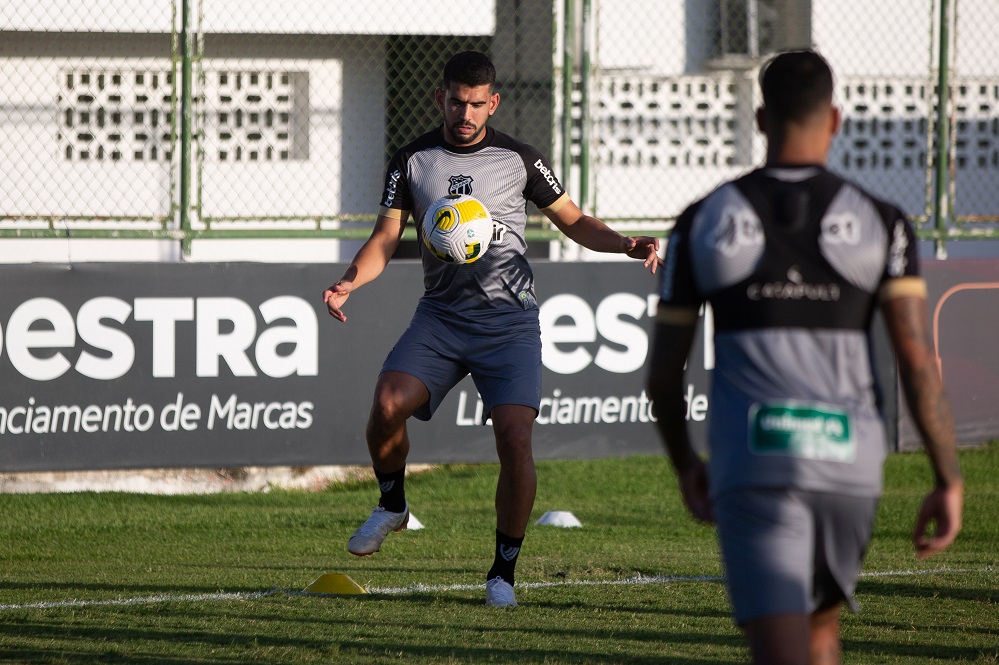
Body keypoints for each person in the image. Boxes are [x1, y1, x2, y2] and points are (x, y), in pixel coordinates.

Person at [646, 50, 963, 664]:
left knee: (781, 648)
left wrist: (687, 463)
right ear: (836, 120)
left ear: (761, 120)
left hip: (757, 461)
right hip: (849, 463)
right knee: (820, 636)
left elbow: (663, 373)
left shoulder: (701, 221)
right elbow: (917, 363)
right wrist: (947, 477)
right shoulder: (883, 221)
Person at [323, 50, 661, 608]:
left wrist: (628, 244)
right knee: (386, 404)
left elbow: (573, 220)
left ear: (493, 103)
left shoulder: (520, 159)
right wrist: (349, 281)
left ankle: (502, 573)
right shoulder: (411, 160)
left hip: (508, 324)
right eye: (457, 101)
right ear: (440, 99)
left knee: (515, 437)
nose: (465, 113)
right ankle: (392, 504)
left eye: (477, 104)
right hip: (441, 317)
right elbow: (385, 239)